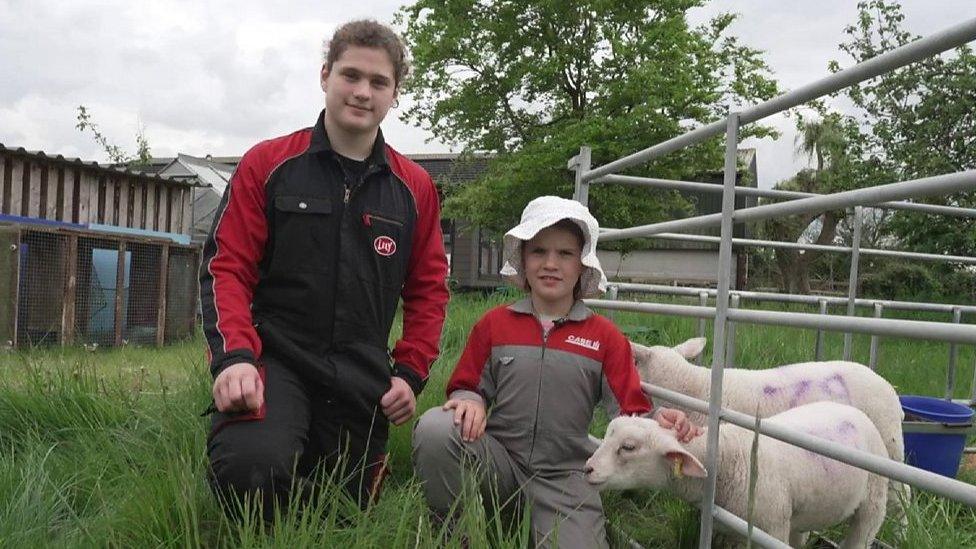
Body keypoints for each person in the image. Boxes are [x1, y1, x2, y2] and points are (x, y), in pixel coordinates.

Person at [200, 19, 449, 520]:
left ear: (394, 93)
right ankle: (257, 454)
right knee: (252, 470)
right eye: (350, 75)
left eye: (378, 82)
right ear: (325, 76)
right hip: (277, 358)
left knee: (344, 508)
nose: (362, 92)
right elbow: (226, 269)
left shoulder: (414, 187)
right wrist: (235, 360)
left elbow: (429, 291)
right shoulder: (268, 164)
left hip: (361, 370)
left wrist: (409, 374)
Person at [412, 196, 699, 548]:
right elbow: (466, 385)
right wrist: (469, 399)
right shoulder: (493, 325)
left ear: (583, 265)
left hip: (564, 477)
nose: (551, 264)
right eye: (539, 252)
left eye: (565, 254)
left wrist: (661, 420)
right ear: (522, 259)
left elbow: (631, 409)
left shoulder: (605, 338)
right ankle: (459, 534)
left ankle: (542, 524)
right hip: (498, 463)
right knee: (437, 427)